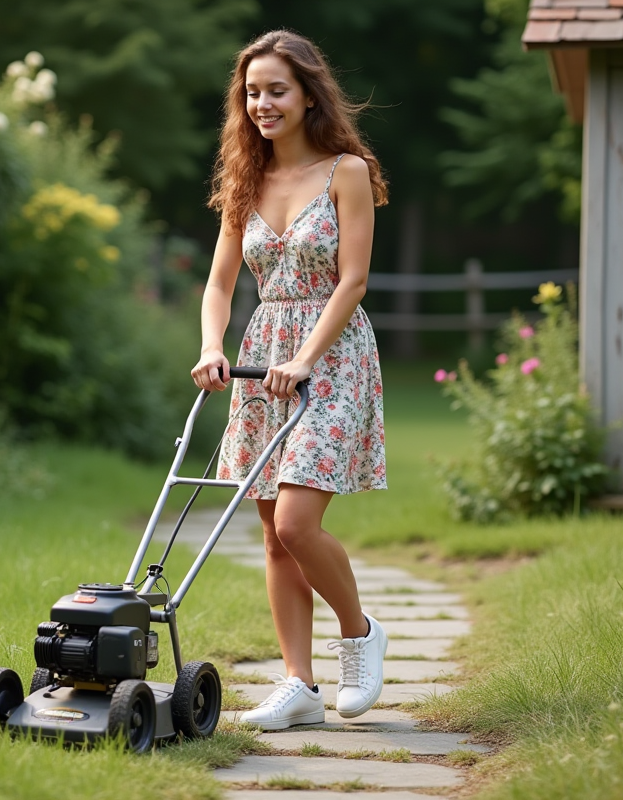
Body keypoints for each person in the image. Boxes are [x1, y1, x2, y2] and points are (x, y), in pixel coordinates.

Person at [190, 29, 390, 731]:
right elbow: (218, 284)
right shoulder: (246, 181)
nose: (262, 104)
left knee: (301, 522)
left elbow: (354, 280)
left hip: (329, 357)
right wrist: (213, 344)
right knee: (273, 532)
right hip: (261, 357)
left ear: (308, 94)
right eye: (251, 93)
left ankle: (360, 634)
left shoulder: (347, 172)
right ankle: (299, 685)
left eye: (276, 90)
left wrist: (306, 356)